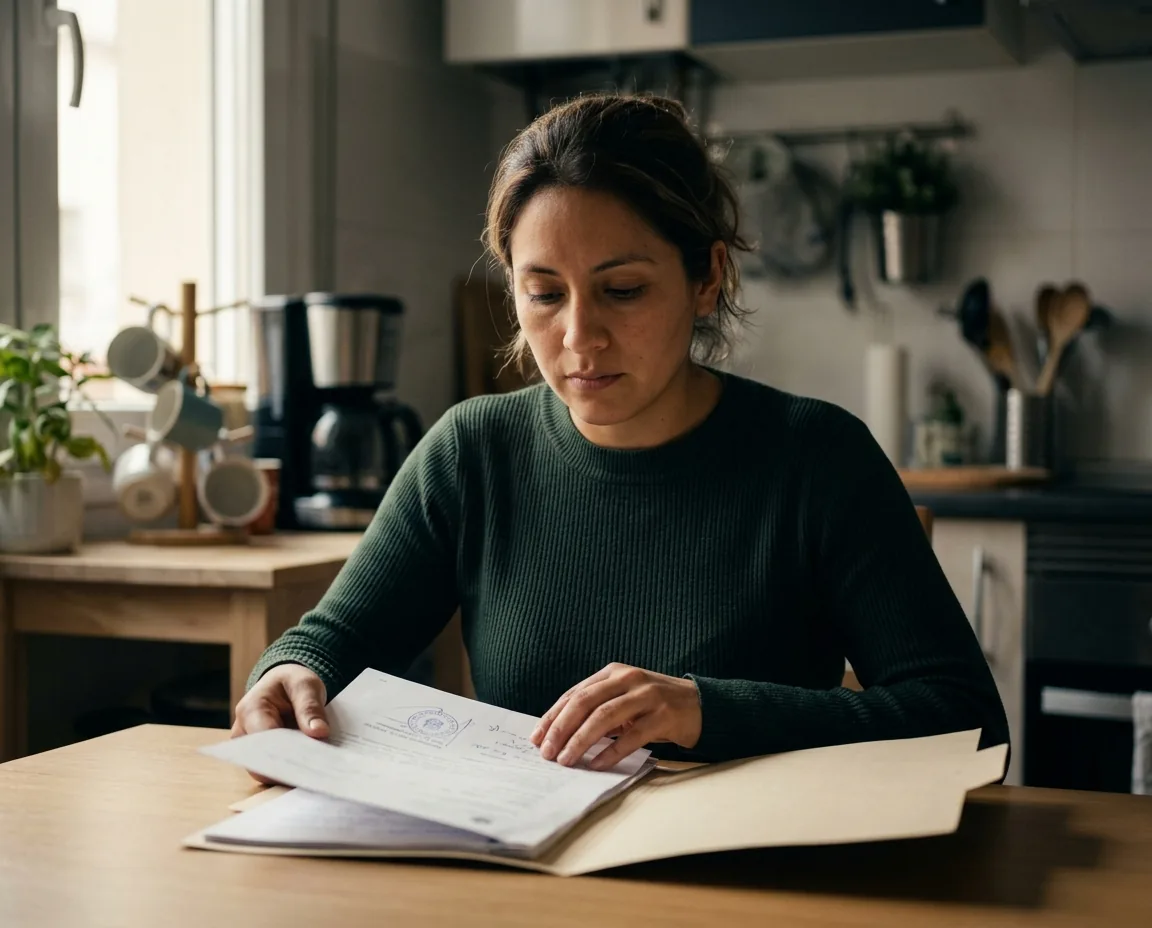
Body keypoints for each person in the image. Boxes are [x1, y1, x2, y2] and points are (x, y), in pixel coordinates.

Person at [233, 93, 1008, 773]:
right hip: (525, 866)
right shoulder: (473, 452)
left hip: (749, 872)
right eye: (544, 294)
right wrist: (290, 674)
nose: (580, 337)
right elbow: (330, 642)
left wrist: (707, 711)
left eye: (624, 290)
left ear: (707, 278)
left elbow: (968, 723)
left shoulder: (818, 458)